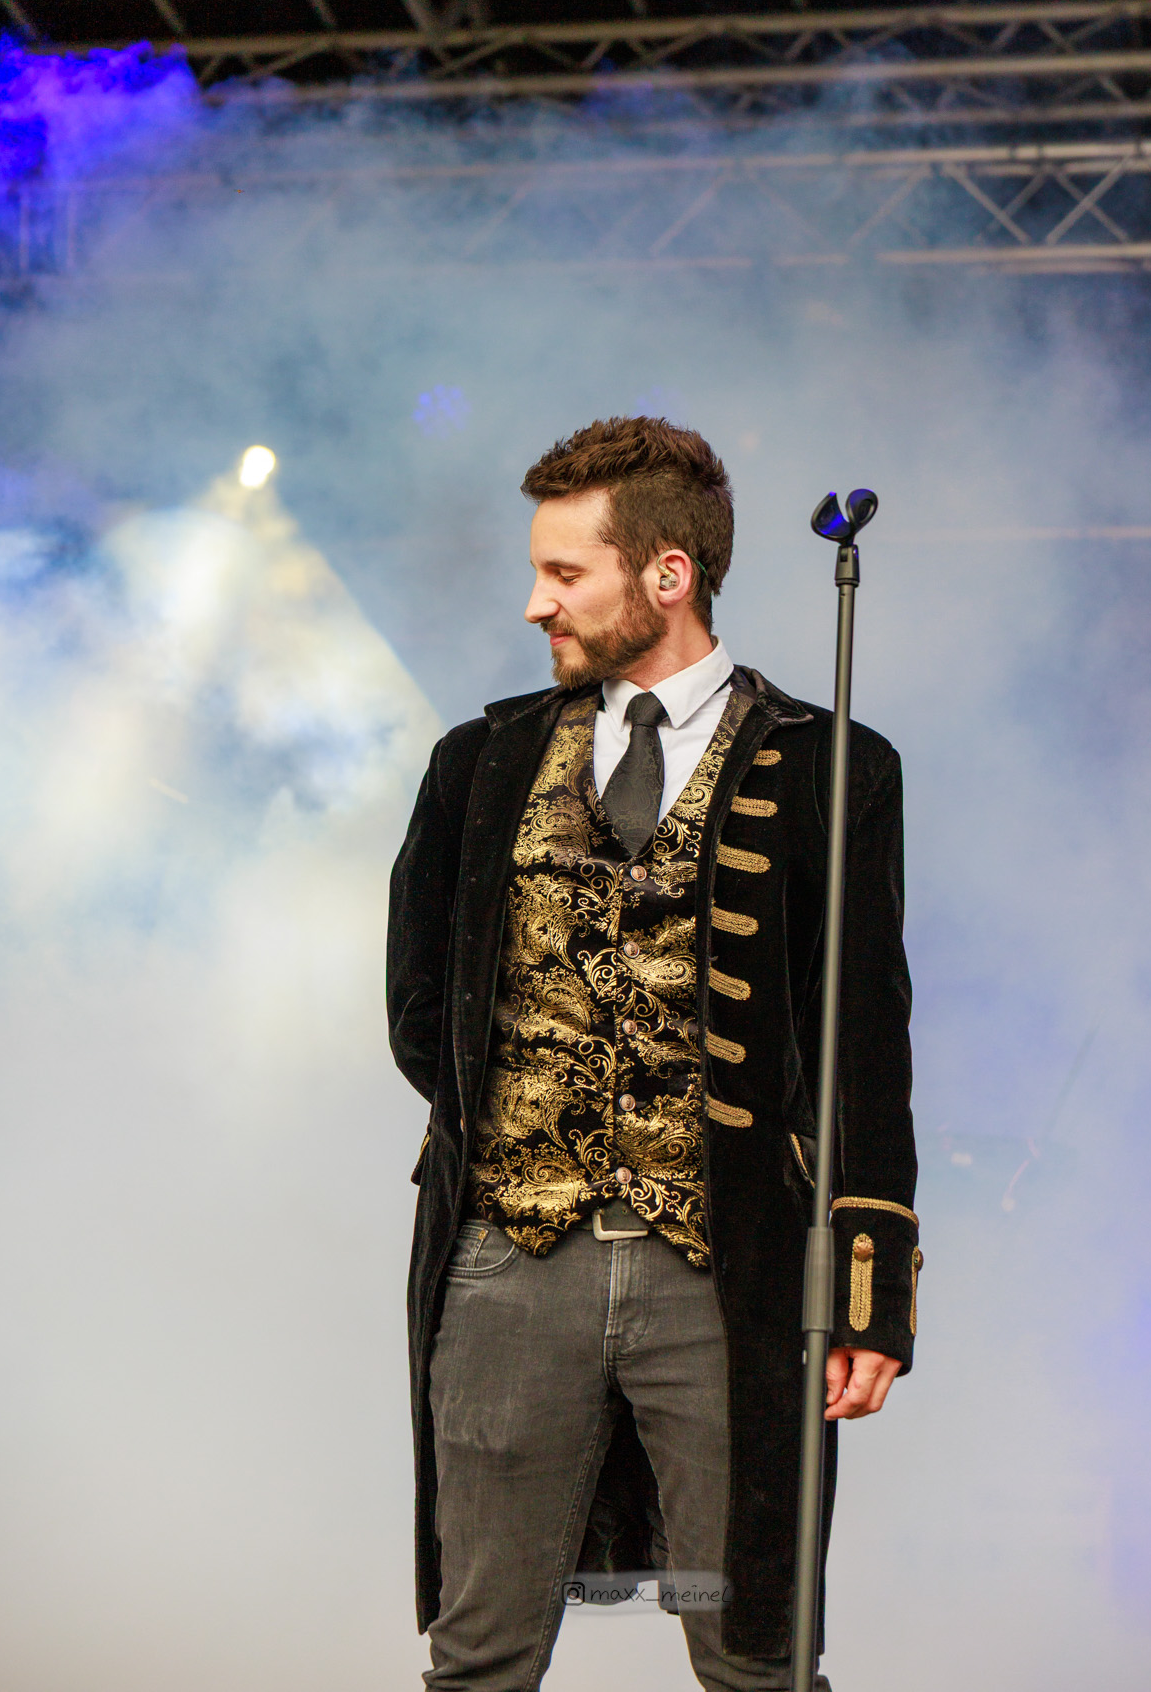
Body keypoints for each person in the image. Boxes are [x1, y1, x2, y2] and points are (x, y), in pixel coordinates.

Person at [388, 416, 918, 1692]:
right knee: (478, 1653)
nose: (535, 602)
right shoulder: (480, 761)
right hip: (509, 1268)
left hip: (727, 1276)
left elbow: (864, 1036)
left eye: (564, 572)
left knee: (754, 1654)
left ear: (667, 574)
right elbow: (420, 1007)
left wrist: (869, 1293)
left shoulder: (831, 766)